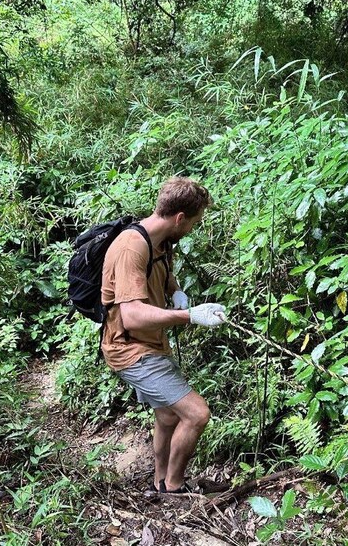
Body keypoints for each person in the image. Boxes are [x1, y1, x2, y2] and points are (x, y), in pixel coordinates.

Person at [101, 177, 227, 494]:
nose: (193, 230)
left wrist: (178, 292)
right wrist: (189, 315)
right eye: (195, 223)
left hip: (152, 341)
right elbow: (132, 315)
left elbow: (162, 274)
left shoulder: (159, 240)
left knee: (168, 415)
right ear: (179, 218)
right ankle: (174, 486)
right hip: (131, 348)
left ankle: (160, 480)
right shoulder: (132, 247)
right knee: (197, 414)